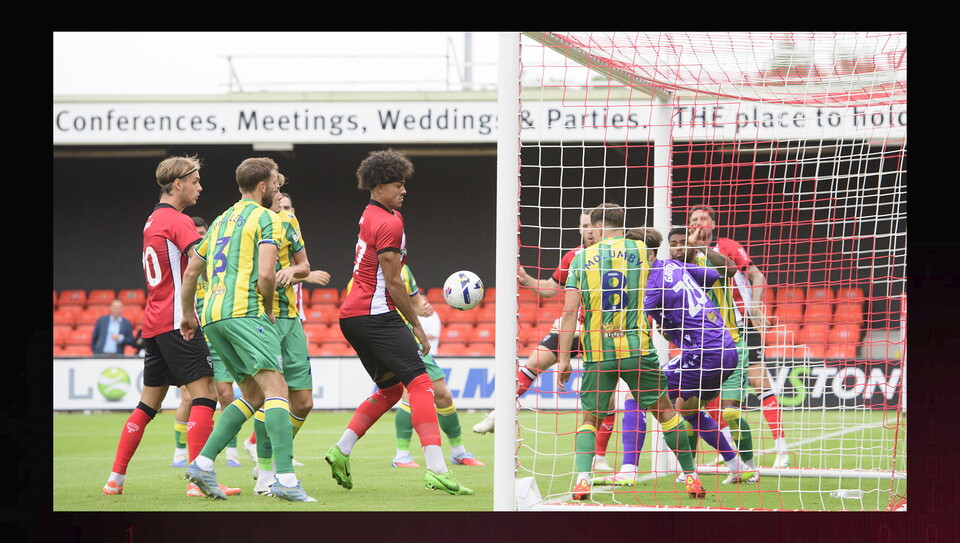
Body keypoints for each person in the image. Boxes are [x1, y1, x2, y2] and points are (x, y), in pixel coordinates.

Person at [325, 149, 473, 496]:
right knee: (421, 385)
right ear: (378, 185)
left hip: (354, 316)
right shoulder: (389, 222)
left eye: (404, 184)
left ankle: (340, 449)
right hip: (376, 315)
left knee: (392, 390)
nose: (404, 190)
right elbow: (393, 281)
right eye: (397, 184)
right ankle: (437, 468)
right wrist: (416, 325)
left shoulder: (372, 213)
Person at [180, 156, 315, 502]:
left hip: (212, 314)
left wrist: (187, 315)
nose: (277, 188)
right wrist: (268, 308)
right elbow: (268, 274)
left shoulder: (220, 220)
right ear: (262, 186)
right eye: (275, 183)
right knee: (277, 390)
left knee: (253, 396)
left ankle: (203, 463)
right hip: (247, 312)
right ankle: (284, 479)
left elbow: (193, 271)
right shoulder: (268, 218)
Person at [556, 204, 704, 501]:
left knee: (591, 418)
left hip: (599, 352)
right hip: (638, 349)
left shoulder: (580, 258)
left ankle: (583, 479)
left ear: (596, 228)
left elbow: (570, 311)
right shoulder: (641, 250)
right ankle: (691, 477)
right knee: (665, 411)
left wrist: (563, 360)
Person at [102, 155, 220, 497]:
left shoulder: (152, 220)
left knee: (146, 405)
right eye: (196, 181)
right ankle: (199, 481)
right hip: (177, 322)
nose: (200, 187)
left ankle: (115, 479)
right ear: (179, 183)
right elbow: (200, 263)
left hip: (153, 323)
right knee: (205, 395)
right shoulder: (178, 220)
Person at [472, 209, 618, 472]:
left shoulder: (615, 255)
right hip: (572, 327)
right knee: (533, 363)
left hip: (601, 330)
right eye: (583, 226)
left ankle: (600, 455)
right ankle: (498, 413)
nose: (588, 231)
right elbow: (552, 289)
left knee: (606, 399)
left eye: (591, 226)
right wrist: (527, 279)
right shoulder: (573, 256)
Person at [636, 226, 755, 486]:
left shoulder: (651, 283)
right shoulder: (674, 267)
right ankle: (737, 466)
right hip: (725, 346)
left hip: (704, 352)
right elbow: (713, 276)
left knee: (642, 391)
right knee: (689, 410)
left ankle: (629, 468)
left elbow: (636, 320)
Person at [688, 205, 789, 468]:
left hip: (741, 325)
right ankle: (728, 454)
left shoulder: (727, 247)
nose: (699, 223)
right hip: (708, 330)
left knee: (759, 381)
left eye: (703, 219)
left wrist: (755, 305)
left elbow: (756, 275)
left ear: (712, 223)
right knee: (710, 391)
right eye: (694, 220)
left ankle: (782, 449)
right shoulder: (686, 254)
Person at [241, 190, 328, 468]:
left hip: (290, 319)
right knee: (270, 395)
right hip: (260, 318)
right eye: (276, 191)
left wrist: (295, 271)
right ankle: (267, 467)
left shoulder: (290, 222)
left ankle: (271, 451)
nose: (280, 198)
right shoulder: (249, 222)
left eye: (285, 196)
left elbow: (304, 266)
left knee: (302, 402)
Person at [387, 263, 484, 468]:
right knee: (410, 393)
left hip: (409, 335)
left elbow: (415, 301)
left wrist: (422, 307)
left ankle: (458, 452)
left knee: (442, 394)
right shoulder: (367, 272)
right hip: (393, 335)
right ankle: (401, 455)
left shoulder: (404, 270)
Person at [172, 217, 243, 475]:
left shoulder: (217, 264)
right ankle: (180, 451)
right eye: (197, 235)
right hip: (192, 338)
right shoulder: (184, 268)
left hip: (217, 338)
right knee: (189, 397)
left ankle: (232, 450)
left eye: (204, 234)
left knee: (226, 395)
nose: (201, 239)